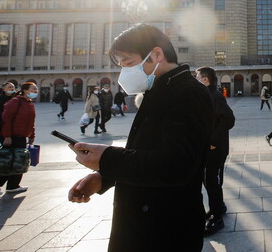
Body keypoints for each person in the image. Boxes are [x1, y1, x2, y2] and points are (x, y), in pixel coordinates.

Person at [68, 24, 212, 251]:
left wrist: (107, 159)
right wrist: (104, 176)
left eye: (128, 63)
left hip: (165, 230)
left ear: (156, 54)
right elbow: (145, 154)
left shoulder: (188, 93)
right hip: (143, 224)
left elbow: (176, 165)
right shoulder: (157, 90)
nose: (124, 72)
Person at [196, 66, 235, 236]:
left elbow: (229, 119)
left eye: (197, 77)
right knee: (209, 180)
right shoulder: (206, 95)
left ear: (205, 80)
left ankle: (216, 217)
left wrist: (212, 141)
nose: (195, 80)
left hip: (216, 150)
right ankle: (217, 206)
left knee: (212, 181)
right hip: (208, 149)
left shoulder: (215, 96)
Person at [0, 82, 38, 196]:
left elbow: (31, 122)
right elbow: (6, 119)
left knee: (20, 161)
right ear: (25, 90)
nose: (35, 92)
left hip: (21, 136)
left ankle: (13, 186)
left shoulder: (29, 103)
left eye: (36, 90)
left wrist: (32, 135)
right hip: (11, 136)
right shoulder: (15, 101)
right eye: (33, 89)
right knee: (11, 161)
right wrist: (7, 136)